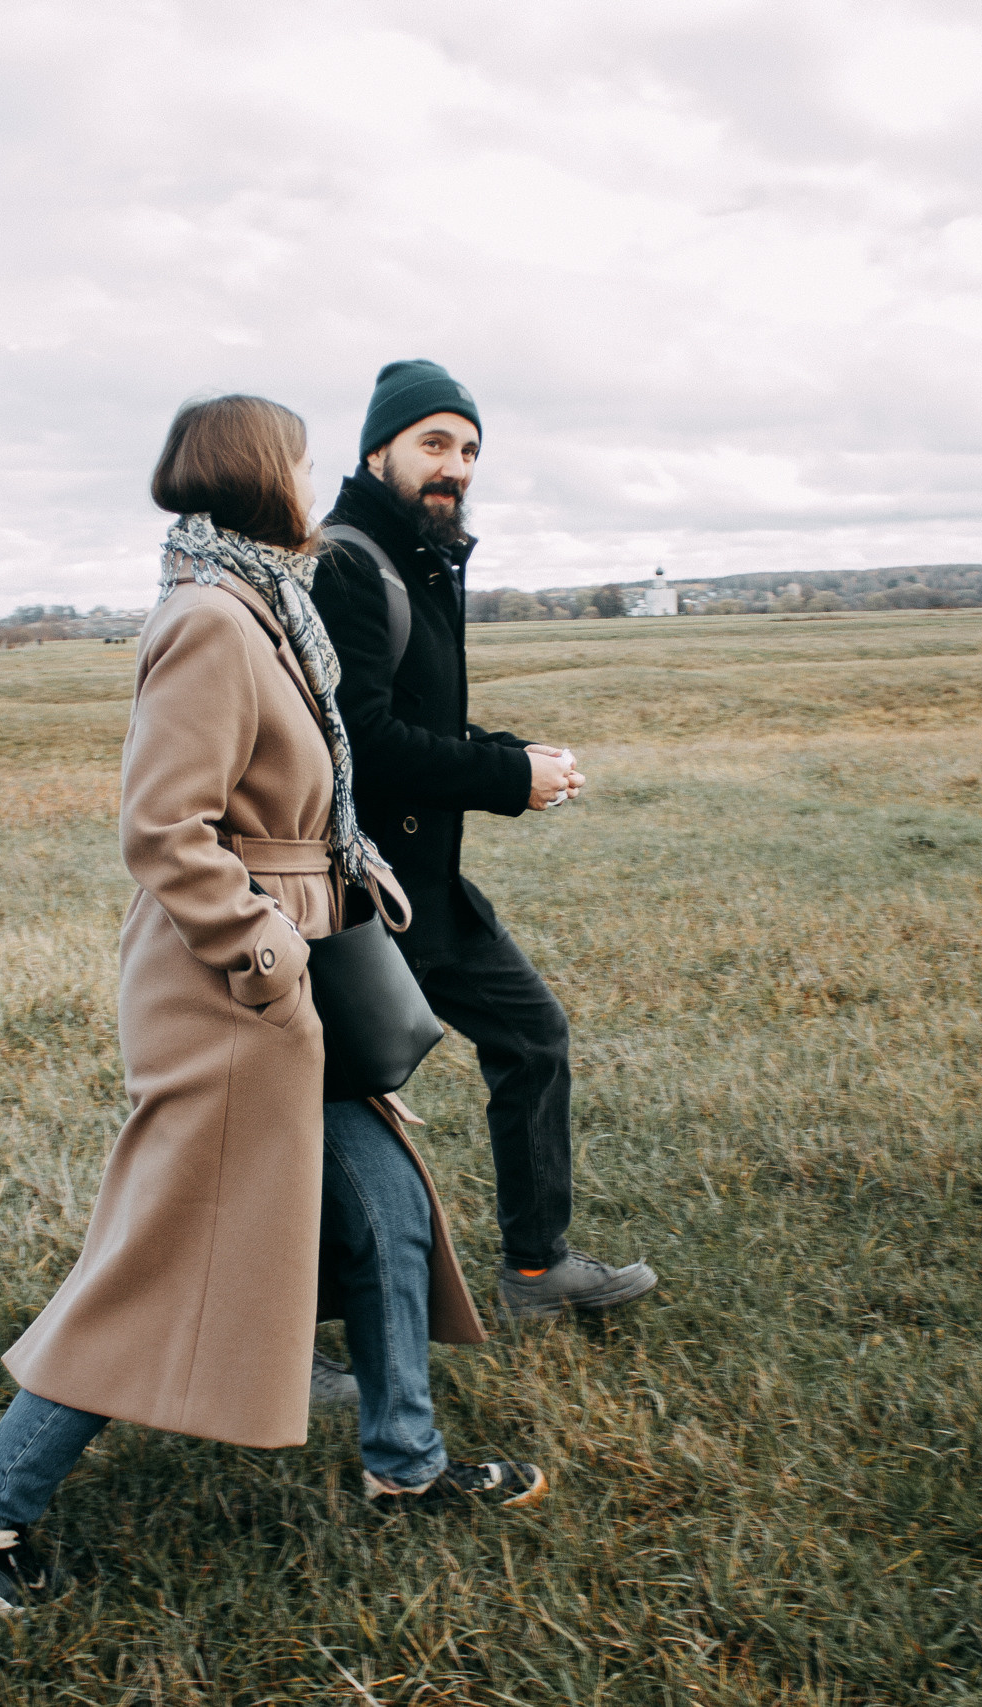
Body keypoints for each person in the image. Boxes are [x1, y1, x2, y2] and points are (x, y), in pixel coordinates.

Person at [0, 394, 548, 1618]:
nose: (311, 482)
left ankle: (407, 1467)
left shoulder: (266, 605)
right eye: (299, 461)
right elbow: (163, 830)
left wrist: (341, 882)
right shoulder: (210, 619)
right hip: (231, 991)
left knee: (389, 1214)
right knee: (168, 1255)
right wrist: (265, 954)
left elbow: (294, 799)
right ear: (260, 473)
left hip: (297, 978)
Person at [309, 360, 658, 1327]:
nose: (454, 465)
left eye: (468, 449)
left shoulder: (421, 557)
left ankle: (538, 1274)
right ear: (377, 449)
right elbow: (363, 746)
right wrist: (508, 780)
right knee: (321, 1121)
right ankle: (281, 1338)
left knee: (532, 1035)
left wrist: (510, 754)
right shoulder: (346, 564)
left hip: (428, 887)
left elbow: (413, 720)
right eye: (433, 443)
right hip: (357, 901)